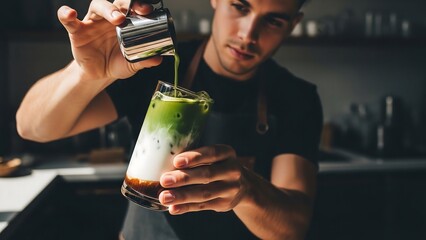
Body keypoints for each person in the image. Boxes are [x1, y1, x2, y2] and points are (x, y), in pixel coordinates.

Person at [16, 0, 323, 239]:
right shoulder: (154, 65)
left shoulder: (296, 98)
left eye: (274, 20)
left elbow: (292, 229)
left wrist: (248, 191)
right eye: (240, 6)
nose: (248, 34)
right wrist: (85, 74)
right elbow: (31, 127)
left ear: (293, 24)